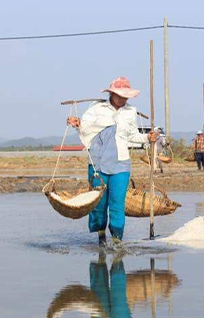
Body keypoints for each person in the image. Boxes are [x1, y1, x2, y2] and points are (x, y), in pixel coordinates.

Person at [67, 77, 158, 248]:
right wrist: (77, 123)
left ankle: (117, 239)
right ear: (112, 94)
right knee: (98, 204)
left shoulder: (131, 111)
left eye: (126, 96)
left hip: (121, 164)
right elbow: (84, 127)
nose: (123, 99)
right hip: (98, 163)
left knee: (117, 203)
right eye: (120, 95)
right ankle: (101, 236)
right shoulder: (97, 108)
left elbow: (132, 135)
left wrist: (147, 137)